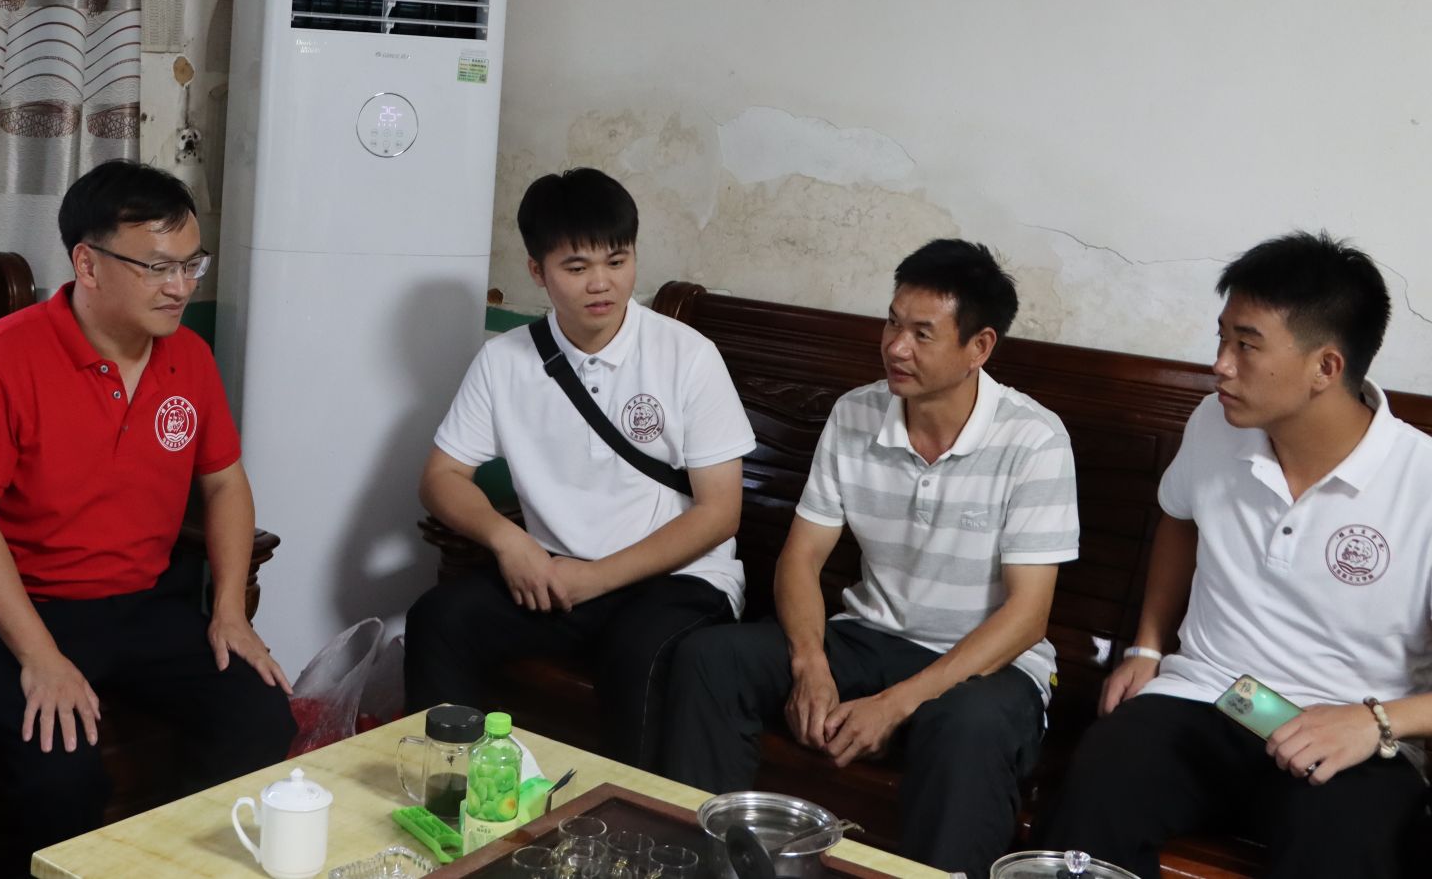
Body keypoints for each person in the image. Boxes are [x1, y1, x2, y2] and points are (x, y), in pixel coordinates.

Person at [661, 239, 1078, 878]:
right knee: (711, 658)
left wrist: (896, 703)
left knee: (965, 728)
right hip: (870, 638)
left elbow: (1027, 617)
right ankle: (713, 867)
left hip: (988, 666)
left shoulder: (1034, 440)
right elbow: (801, 558)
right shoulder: (856, 413)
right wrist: (810, 663)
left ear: (980, 347)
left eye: (922, 333)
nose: (895, 347)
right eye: (891, 322)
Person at [0, 160, 295, 857]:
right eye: (158, 267)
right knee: (61, 779)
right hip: (27, 612)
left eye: (191, 264)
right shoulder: (1, 357)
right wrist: (40, 656)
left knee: (260, 716)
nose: (181, 286)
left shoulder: (189, 356)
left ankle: (178, 866)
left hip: (148, 603)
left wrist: (229, 611)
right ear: (88, 264)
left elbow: (224, 482)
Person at [1036, 232, 1432, 879]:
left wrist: (1374, 722)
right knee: (1097, 787)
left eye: (1246, 345)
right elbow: (1179, 516)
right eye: (1221, 338)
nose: (1219, 364)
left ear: (1326, 367)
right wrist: (1147, 647)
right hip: (1213, 694)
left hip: (1348, 733)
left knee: (1345, 847)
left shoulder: (1422, 481)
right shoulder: (1215, 423)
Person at [404, 168, 757, 768]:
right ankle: (450, 792)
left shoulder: (687, 355)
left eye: (618, 261)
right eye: (576, 267)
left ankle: (628, 823)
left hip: (677, 579)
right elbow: (440, 478)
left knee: (637, 653)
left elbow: (720, 513)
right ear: (537, 270)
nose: (602, 283)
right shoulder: (504, 361)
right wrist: (511, 542)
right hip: (557, 574)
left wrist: (596, 578)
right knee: (438, 618)